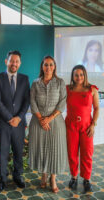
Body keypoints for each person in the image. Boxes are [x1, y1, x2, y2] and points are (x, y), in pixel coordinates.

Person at [0, 50, 30, 191]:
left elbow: (26, 101)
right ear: (6, 61)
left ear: (20, 63)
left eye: (17, 61)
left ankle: (17, 176)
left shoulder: (25, 79)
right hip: (3, 123)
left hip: (19, 124)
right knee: (3, 153)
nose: (14, 63)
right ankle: (3, 179)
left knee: (19, 152)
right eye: (11, 60)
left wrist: (18, 118)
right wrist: (10, 118)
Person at [29, 56, 67, 193]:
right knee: (41, 149)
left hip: (55, 122)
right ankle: (43, 175)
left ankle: (53, 178)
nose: (48, 67)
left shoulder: (60, 82)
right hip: (38, 122)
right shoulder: (35, 83)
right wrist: (41, 119)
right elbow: (32, 102)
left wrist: (49, 119)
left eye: (51, 65)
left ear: (54, 66)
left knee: (54, 150)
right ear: (42, 67)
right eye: (46, 65)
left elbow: (62, 103)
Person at [65, 65, 99, 192]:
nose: (79, 77)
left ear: (85, 75)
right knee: (72, 153)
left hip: (86, 127)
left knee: (87, 153)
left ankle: (86, 179)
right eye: (76, 75)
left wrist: (93, 124)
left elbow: (96, 108)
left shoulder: (92, 89)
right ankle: (74, 177)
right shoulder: (67, 89)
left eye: (81, 74)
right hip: (71, 126)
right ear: (72, 76)